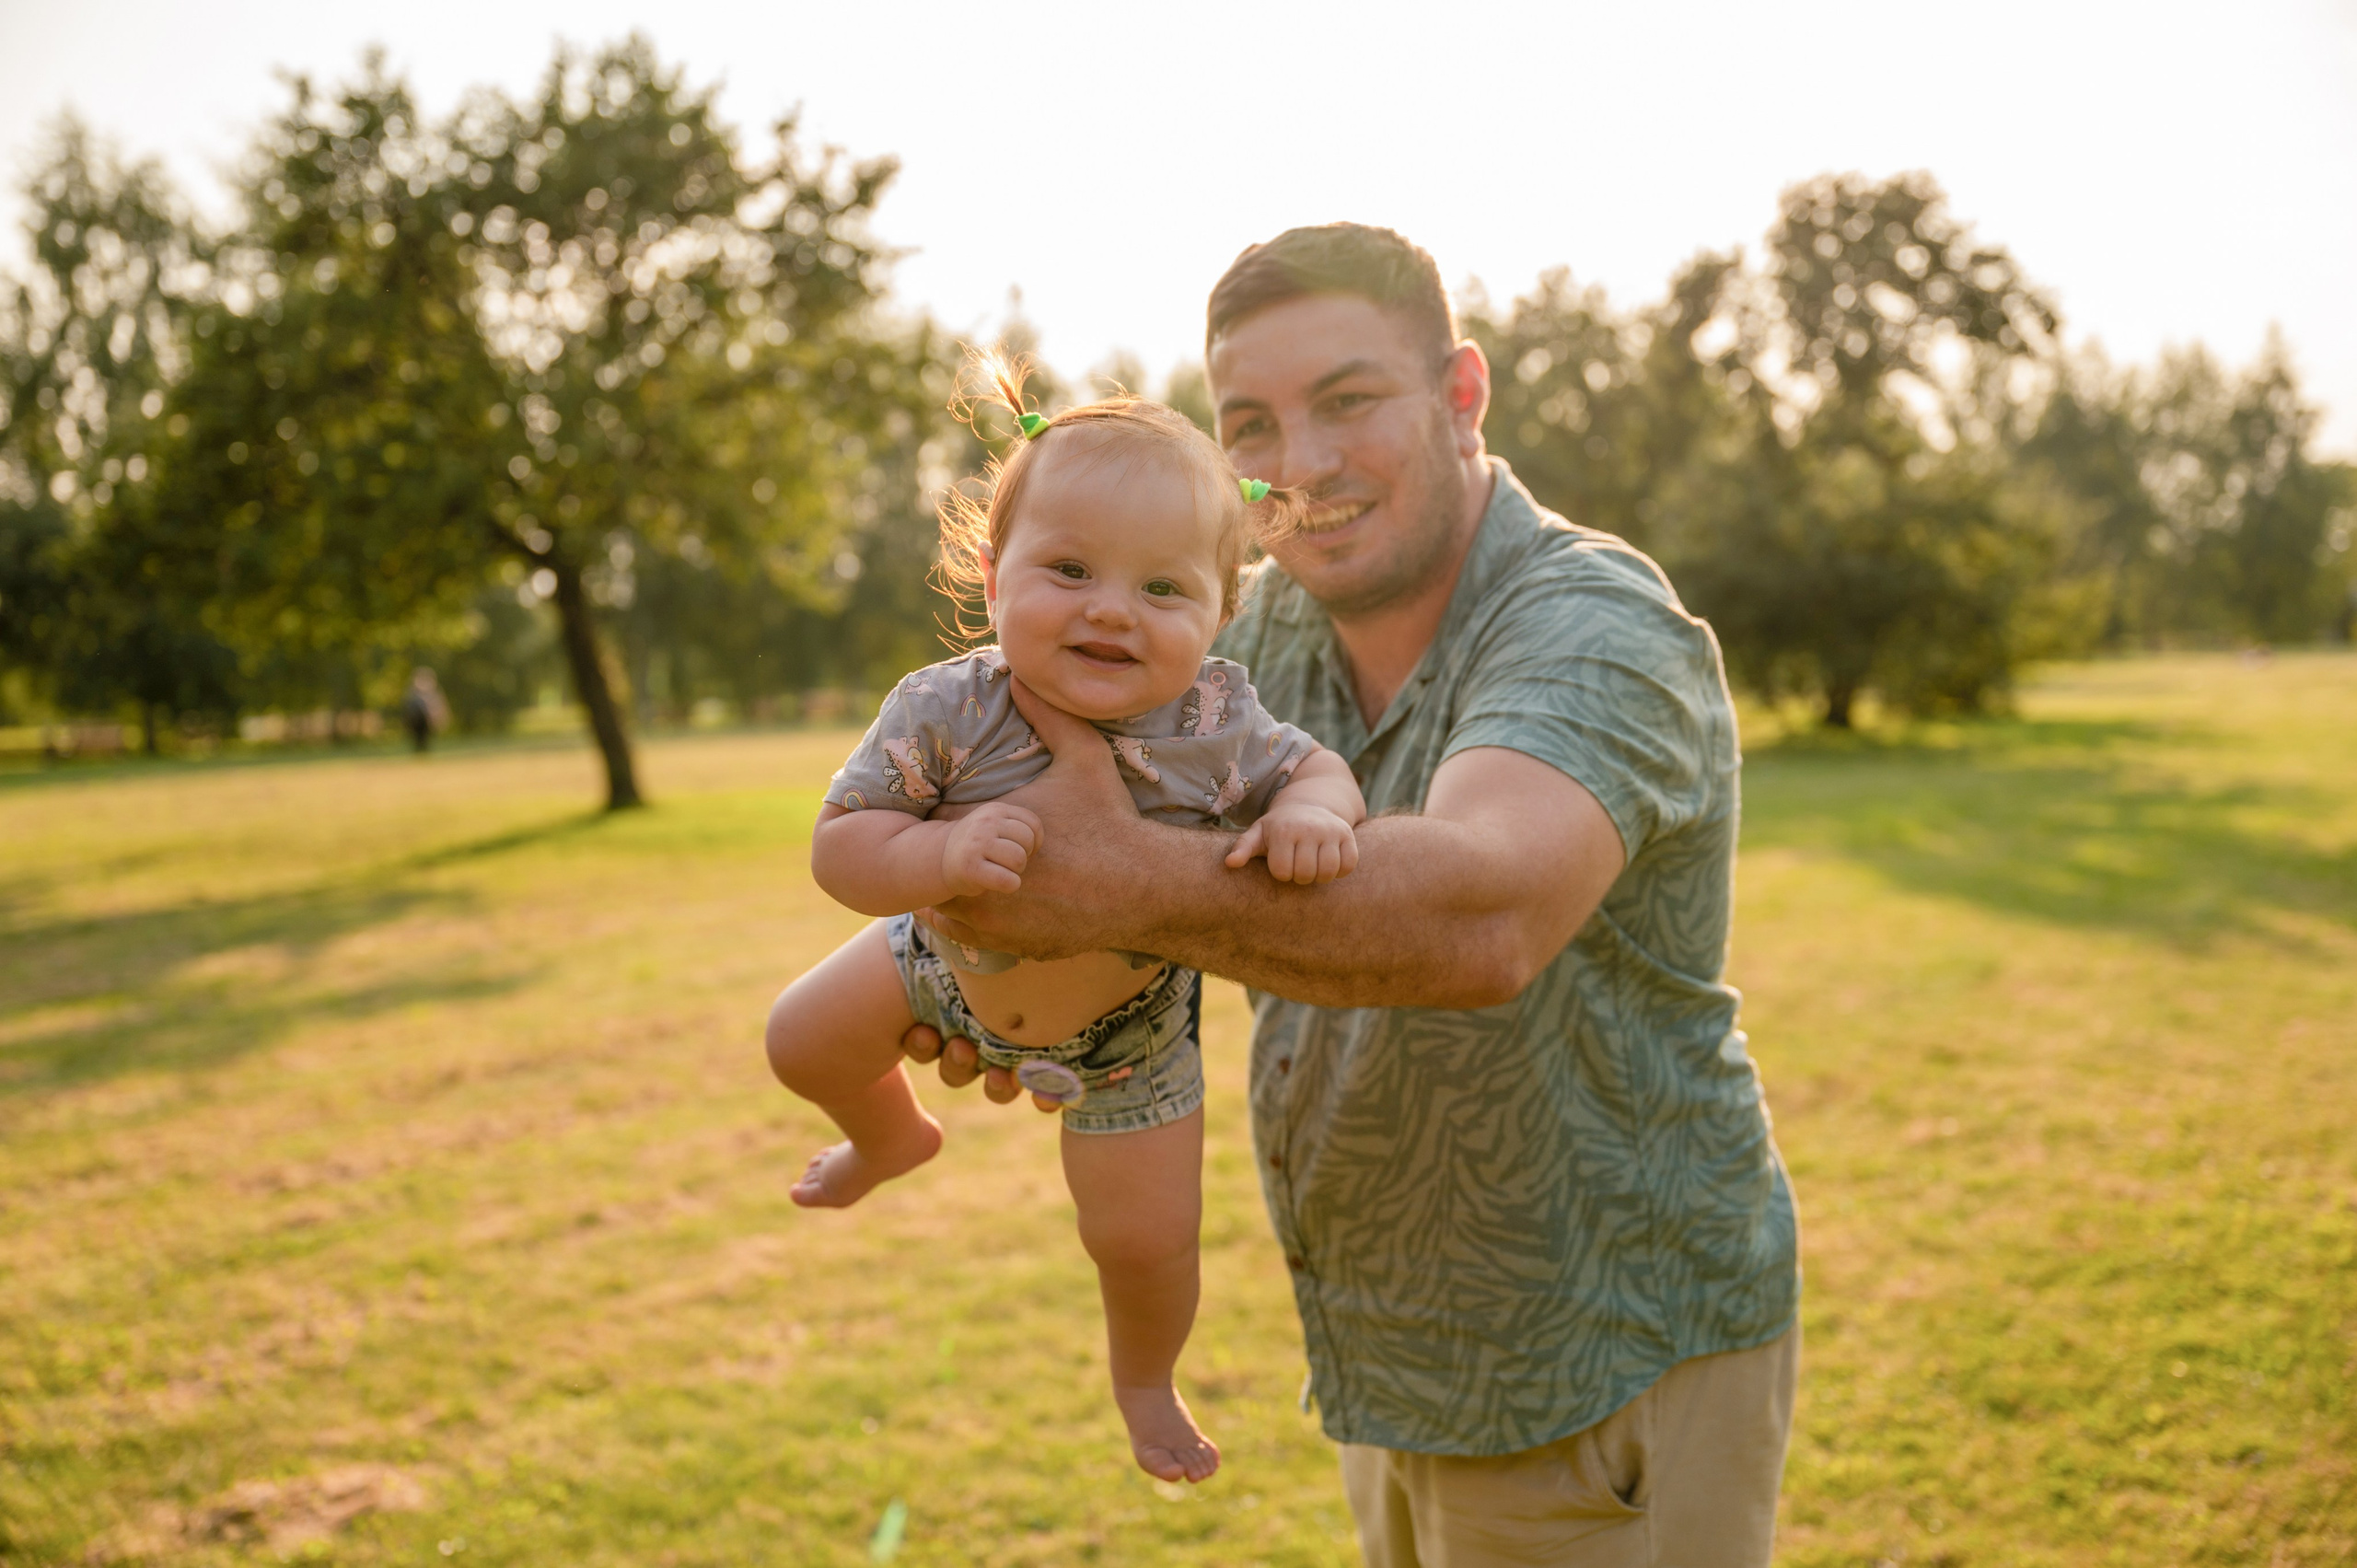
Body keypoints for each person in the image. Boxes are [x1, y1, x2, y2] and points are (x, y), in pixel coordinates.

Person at [900, 226, 1801, 1566]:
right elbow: (1068, 810)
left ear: (1461, 395)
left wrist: (1097, 886)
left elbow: (1480, 915)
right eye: (1251, 420)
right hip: (1390, 1345)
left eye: (1350, 400)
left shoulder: (1595, 621)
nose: (1300, 462)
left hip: (1606, 1349)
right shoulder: (1251, 634)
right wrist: (1005, 979)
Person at [763, 359, 1367, 1487]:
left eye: (1161, 589)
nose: (1107, 607)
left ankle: (1144, 1378)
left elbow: (1316, 765)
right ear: (994, 576)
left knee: (1143, 1239)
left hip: (1128, 1039)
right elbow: (841, 845)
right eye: (1071, 568)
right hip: (938, 969)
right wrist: (938, 854)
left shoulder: (1217, 718)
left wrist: (1315, 814)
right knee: (798, 1035)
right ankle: (890, 1136)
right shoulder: (946, 705)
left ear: (1221, 611)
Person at [400, 667, 449, 752]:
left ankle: (423, 749)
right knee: (418, 737)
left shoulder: (432, 693)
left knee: (425, 737)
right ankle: (420, 749)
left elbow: (438, 706)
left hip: (426, 722)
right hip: (416, 721)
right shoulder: (412, 694)